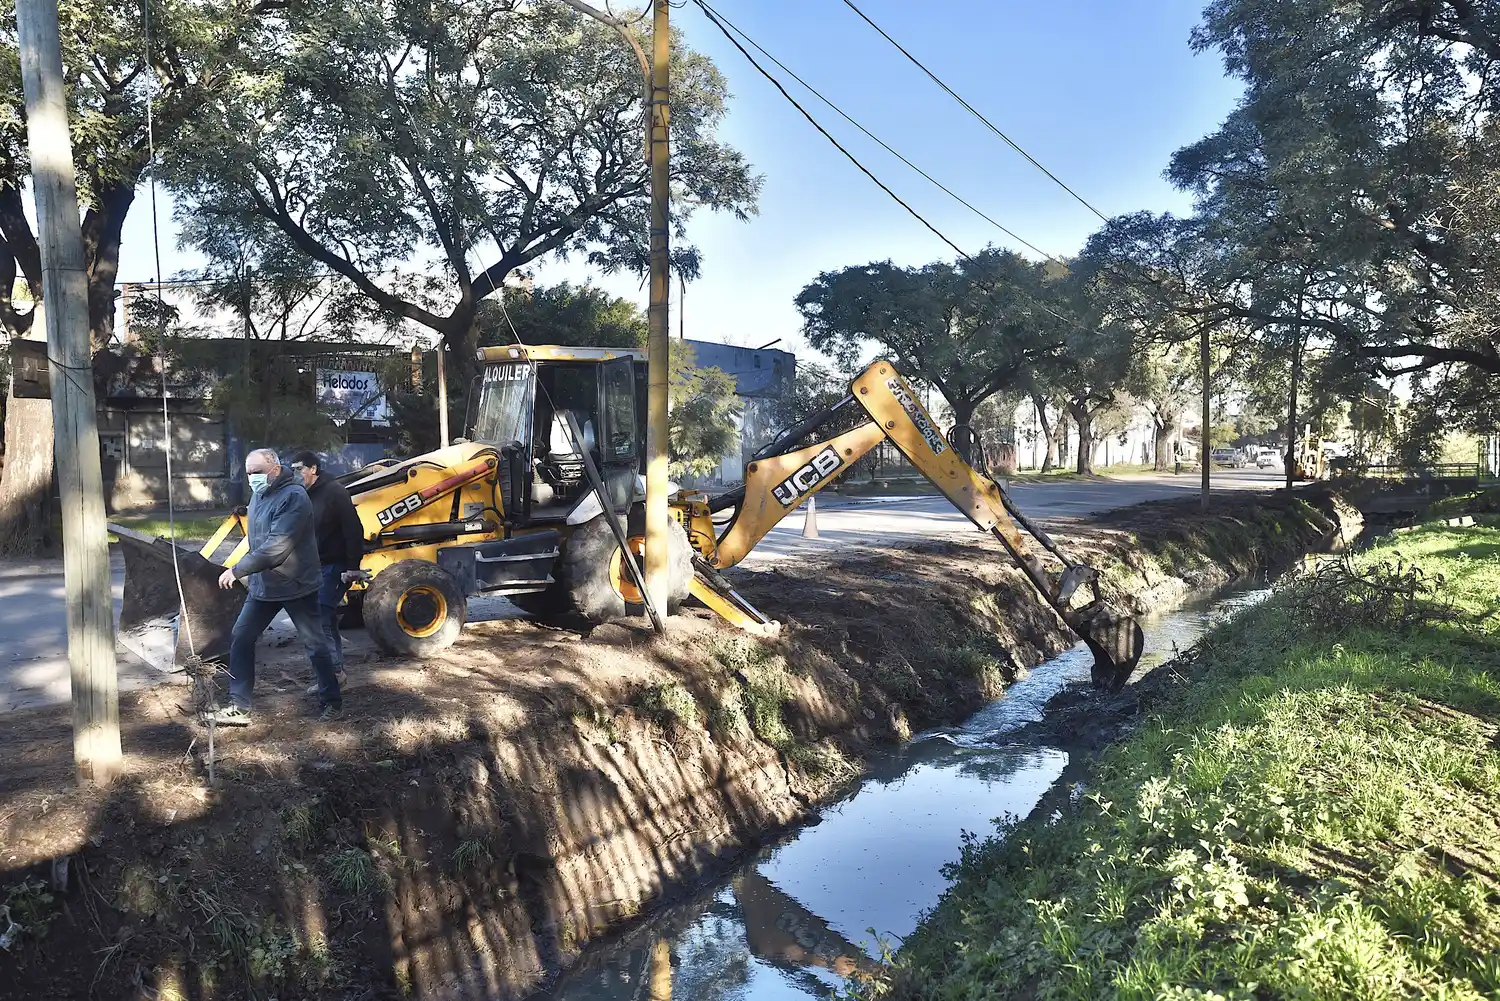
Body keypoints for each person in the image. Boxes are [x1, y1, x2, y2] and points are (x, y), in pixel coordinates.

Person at [213, 448, 343, 725]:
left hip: (297, 585)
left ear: (274, 468)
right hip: (264, 587)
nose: (252, 479)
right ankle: (239, 706)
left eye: (256, 473)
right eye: (248, 474)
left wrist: (238, 570)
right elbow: (257, 537)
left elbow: (276, 548)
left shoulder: (295, 497)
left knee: (315, 645)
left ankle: (332, 701)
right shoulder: (260, 493)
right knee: (241, 638)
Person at [289, 450, 366, 692]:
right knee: (326, 619)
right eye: (292, 469)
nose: (296, 474)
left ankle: (333, 674)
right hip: (315, 565)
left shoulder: (334, 492)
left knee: (320, 616)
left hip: (337, 565)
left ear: (313, 469)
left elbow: (353, 529)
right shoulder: (302, 494)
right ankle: (336, 671)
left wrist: (353, 566)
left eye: (299, 469)